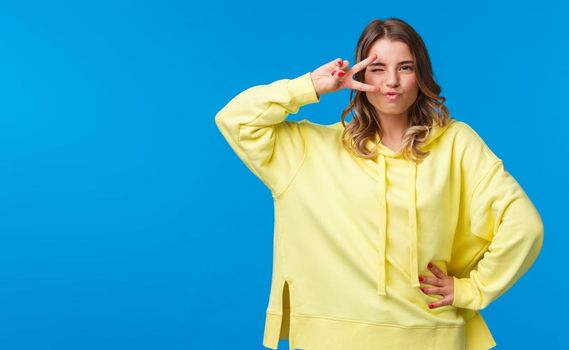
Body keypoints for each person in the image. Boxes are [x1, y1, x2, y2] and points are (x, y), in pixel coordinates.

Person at [214, 18, 543, 350]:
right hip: (334, 338)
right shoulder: (309, 150)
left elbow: (524, 226)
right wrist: (310, 86)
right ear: (360, 75)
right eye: (378, 68)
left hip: (431, 336)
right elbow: (235, 120)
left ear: (421, 75)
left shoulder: (456, 143)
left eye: (405, 67)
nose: (392, 81)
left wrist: (471, 289)